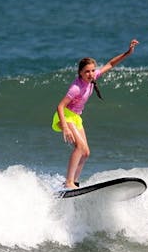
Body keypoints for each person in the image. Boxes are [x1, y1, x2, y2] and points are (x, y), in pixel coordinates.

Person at [52, 39, 140, 189]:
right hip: (65, 116)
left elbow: (110, 64)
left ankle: (74, 182)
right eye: (87, 71)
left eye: (92, 70)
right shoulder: (76, 88)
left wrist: (128, 52)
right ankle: (68, 182)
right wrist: (65, 127)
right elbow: (60, 106)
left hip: (76, 118)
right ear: (80, 72)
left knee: (85, 153)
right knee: (79, 148)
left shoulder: (93, 78)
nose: (91, 73)